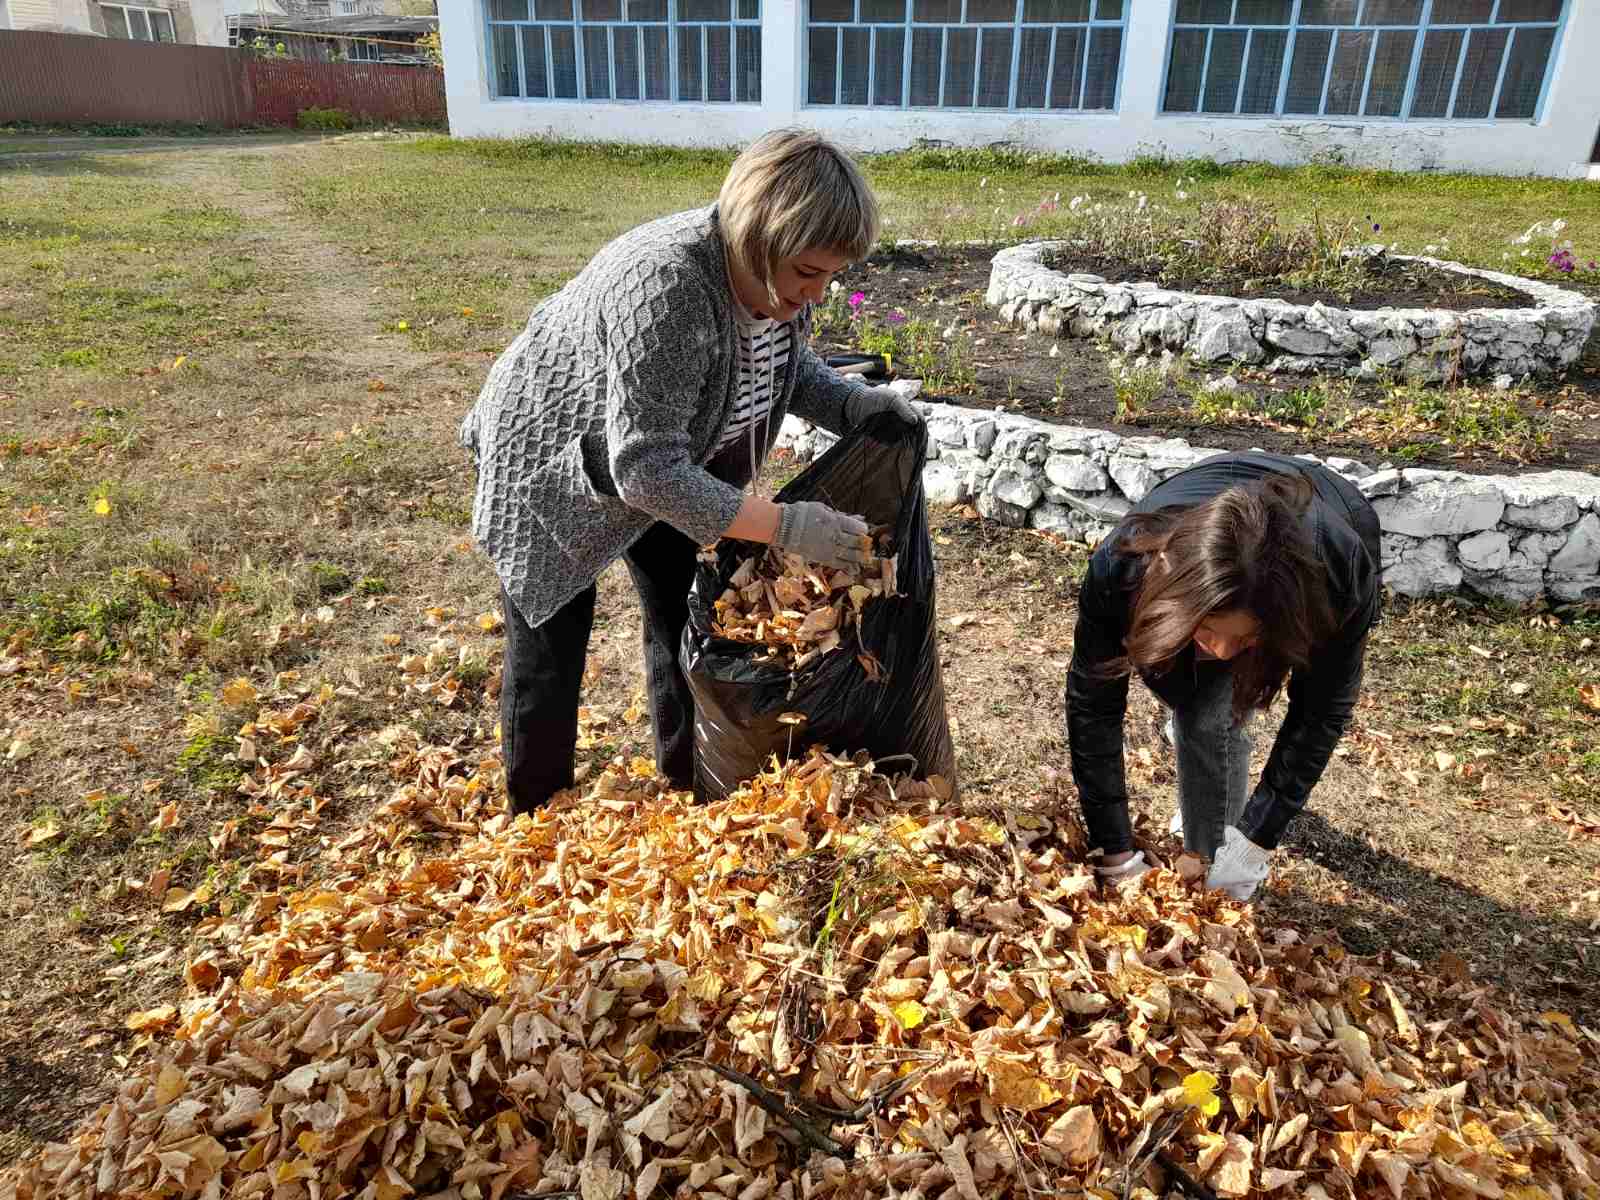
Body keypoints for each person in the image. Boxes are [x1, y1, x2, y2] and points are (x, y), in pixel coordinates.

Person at [458, 128, 921, 816]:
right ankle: (536, 820)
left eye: (831, 276)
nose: (819, 295)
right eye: (808, 273)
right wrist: (790, 528)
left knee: (683, 622)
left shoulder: (769, 280)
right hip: (554, 461)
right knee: (552, 641)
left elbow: (785, 369)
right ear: (760, 239)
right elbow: (645, 471)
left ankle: (687, 787)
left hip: (661, 455)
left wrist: (857, 405)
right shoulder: (670, 287)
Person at [1064, 451, 1382, 901]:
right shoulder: (1122, 566)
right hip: (1191, 525)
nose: (1223, 654)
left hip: (1328, 524)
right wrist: (1114, 848)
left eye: (1246, 640)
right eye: (1209, 632)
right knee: (1198, 711)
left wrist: (1256, 839)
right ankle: (1212, 830)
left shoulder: (1339, 574)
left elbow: (1321, 712)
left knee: (1207, 719)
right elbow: (1092, 705)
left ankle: (1213, 846)